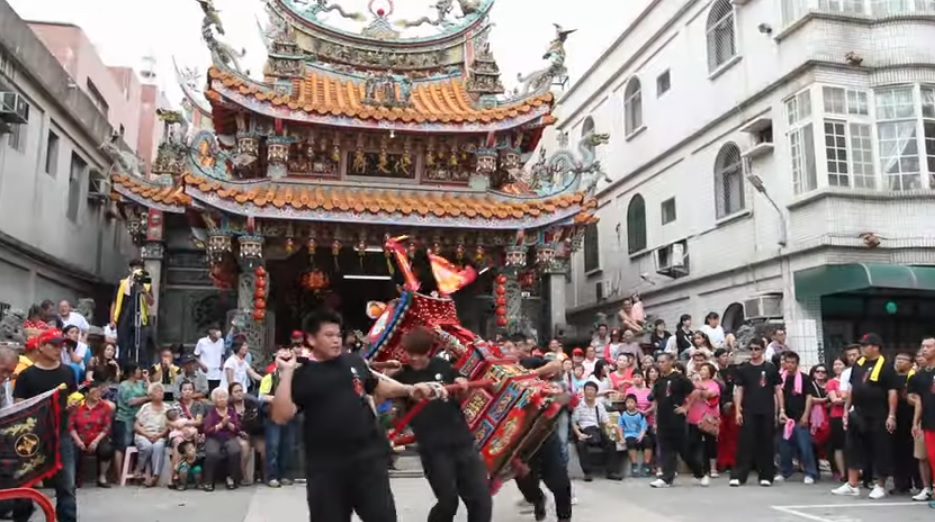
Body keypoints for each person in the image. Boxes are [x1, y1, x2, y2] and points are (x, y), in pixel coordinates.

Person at [268, 308, 436, 522]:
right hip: (326, 469)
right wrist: (287, 372)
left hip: (368, 462)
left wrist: (410, 389)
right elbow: (281, 416)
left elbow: (378, 386)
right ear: (311, 338)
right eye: (329, 335)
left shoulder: (353, 361)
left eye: (338, 335)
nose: (336, 340)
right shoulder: (302, 373)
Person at [390, 327, 492, 522]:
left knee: (480, 500)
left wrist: (462, 385)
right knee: (447, 502)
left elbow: (463, 392)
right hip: (433, 449)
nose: (414, 359)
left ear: (429, 351)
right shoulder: (401, 376)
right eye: (410, 354)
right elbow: (388, 398)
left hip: (462, 442)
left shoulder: (442, 366)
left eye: (420, 354)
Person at [10, 328, 78, 522]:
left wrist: (73, 405)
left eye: (61, 345)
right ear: (40, 346)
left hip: (61, 434)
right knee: (25, 484)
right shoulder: (26, 375)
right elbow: (19, 406)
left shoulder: (67, 372)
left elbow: (73, 399)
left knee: (67, 485)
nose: (59, 349)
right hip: (32, 437)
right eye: (54, 345)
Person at [504, 337, 572, 522]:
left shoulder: (528, 363)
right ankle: (538, 499)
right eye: (501, 348)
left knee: (559, 479)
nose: (505, 351)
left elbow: (557, 365)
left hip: (543, 432)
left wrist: (530, 375)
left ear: (518, 349)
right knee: (526, 484)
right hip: (517, 442)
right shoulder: (492, 373)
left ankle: (564, 517)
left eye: (509, 347)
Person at [832, 333, 898, 499]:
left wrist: (891, 415)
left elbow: (892, 392)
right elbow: (853, 389)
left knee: (880, 448)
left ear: (875, 347)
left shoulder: (886, 366)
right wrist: (847, 410)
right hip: (858, 411)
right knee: (852, 447)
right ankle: (852, 483)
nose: (862, 348)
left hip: (878, 413)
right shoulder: (859, 364)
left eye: (865, 345)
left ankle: (880, 485)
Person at [729, 339, 783, 487]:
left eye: (757, 349)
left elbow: (778, 390)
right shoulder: (743, 369)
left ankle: (766, 475)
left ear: (763, 350)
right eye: (751, 349)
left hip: (767, 409)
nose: (753, 352)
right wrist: (738, 410)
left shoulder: (771, 368)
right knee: (745, 443)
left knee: (766, 442)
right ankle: (739, 476)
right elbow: (739, 390)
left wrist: (781, 410)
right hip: (748, 410)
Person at [649, 352, 707, 488]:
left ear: (670, 362)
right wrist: (656, 421)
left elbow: (695, 392)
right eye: (658, 362)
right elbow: (656, 402)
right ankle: (666, 478)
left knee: (685, 451)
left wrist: (686, 407)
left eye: (663, 362)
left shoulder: (680, 379)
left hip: (677, 419)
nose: (660, 365)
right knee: (666, 450)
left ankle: (700, 474)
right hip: (663, 419)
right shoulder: (659, 382)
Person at [776, 352, 818, 484]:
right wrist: (779, 413)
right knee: (784, 447)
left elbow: (809, 397)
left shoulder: (805, 378)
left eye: (792, 362)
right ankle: (785, 471)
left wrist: (806, 415)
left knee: (804, 445)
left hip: (800, 417)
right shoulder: (780, 378)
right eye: (787, 362)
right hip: (785, 417)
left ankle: (810, 472)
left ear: (797, 364)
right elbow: (777, 395)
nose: (789, 365)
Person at [68, 380, 115, 488]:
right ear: (86, 394)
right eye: (94, 392)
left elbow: (107, 427)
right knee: (72, 449)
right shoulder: (78, 406)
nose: (97, 394)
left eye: (98, 392)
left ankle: (102, 477)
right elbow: (70, 426)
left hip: (98, 437)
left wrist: (96, 441)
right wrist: (78, 441)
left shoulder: (105, 406)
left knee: (106, 449)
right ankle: (74, 478)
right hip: (79, 437)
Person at [571, 381, 621, 481]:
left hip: (596, 430)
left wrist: (613, 426)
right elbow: (573, 423)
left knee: (611, 443)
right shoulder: (579, 405)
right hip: (583, 430)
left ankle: (611, 471)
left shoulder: (599, 405)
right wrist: (579, 434)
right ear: (584, 392)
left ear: (596, 392)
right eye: (588, 390)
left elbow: (606, 421)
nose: (590, 392)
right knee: (581, 445)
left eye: (592, 390)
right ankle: (587, 473)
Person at [110, 259, 156, 365]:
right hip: (124, 317)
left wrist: (144, 291)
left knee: (140, 345)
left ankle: (139, 368)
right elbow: (114, 302)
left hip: (140, 318)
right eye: (135, 268)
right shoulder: (122, 283)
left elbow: (151, 302)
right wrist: (112, 320)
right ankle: (123, 368)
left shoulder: (146, 284)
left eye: (140, 268)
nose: (137, 271)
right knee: (123, 345)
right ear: (130, 269)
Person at [908, 337, 935, 504]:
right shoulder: (919, 377)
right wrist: (915, 422)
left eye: (929, 346)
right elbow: (918, 400)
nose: (924, 349)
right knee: (931, 457)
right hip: (929, 422)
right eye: (923, 346)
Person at [203, 386, 243, 491]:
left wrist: (228, 424)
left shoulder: (231, 411)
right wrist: (221, 425)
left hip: (229, 436)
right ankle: (208, 481)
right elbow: (207, 430)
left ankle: (232, 478)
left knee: (235, 450)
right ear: (214, 400)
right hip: (214, 437)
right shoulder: (211, 412)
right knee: (212, 453)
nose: (222, 399)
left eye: (224, 397)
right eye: (219, 397)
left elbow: (237, 428)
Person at [617, 394, 650, 477]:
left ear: (636, 403)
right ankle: (634, 464)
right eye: (628, 402)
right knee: (630, 443)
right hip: (628, 434)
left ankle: (646, 464)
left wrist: (641, 436)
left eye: (632, 402)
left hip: (639, 434)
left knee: (648, 442)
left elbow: (643, 427)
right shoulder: (623, 415)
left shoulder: (640, 415)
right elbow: (620, 427)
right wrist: (621, 438)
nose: (630, 404)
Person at [195, 325, 226, 392]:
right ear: (210, 331)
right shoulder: (202, 341)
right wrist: (202, 366)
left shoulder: (221, 341)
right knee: (204, 391)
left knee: (215, 391)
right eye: (215, 330)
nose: (217, 332)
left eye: (218, 330)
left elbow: (222, 355)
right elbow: (196, 356)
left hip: (217, 373)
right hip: (205, 372)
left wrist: (222, 363)